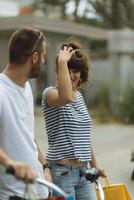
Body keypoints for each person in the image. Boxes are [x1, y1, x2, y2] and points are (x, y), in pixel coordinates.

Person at [41, 37, 106, 200]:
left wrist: (95, 166)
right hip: (62, 172)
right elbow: (65, 96)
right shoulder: (50, 94)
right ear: (58, 70)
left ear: (81, 73)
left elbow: (84, 137)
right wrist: (63, 61)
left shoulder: (79, 97)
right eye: (67, 69)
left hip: (83, 173)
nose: (71, 75)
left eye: (75, 71)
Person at [0, 28, 50, 200]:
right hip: (13, 194)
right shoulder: (1, 91)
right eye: (43, 56)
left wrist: (44, 167)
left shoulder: (26, 87)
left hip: (39, 188)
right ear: (34, 57)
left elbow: (26, 135)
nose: (43, 61)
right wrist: (10, 163)